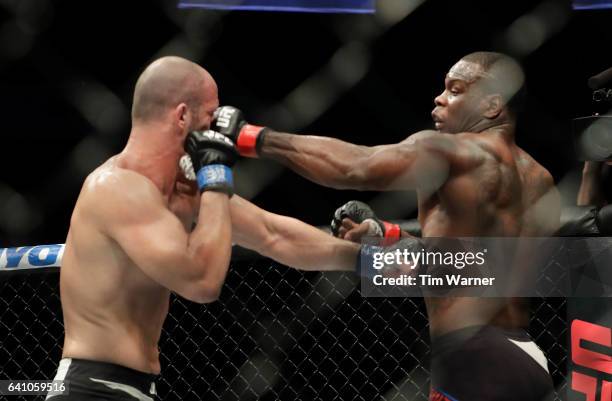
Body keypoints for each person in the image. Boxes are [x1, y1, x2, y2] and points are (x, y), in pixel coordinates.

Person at [211, 52, 561, 400]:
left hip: (470, 357)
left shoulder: (450, 151)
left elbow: (355, 167)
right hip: (527, 358)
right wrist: (389, 235)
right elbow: (469, 267)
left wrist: (250, 136)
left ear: (492, 105)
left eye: (456, 90)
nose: (440, 98)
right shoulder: (540, 180)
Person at [48, 56, 360, 400]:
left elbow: (274, 234)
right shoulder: (116, 188)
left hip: (134, 387)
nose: (218, 130)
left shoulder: (183, 189)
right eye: (211, 116)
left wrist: (375, 261)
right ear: (182, 115)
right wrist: (215, 179)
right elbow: (202, 282)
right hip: (91, 388)